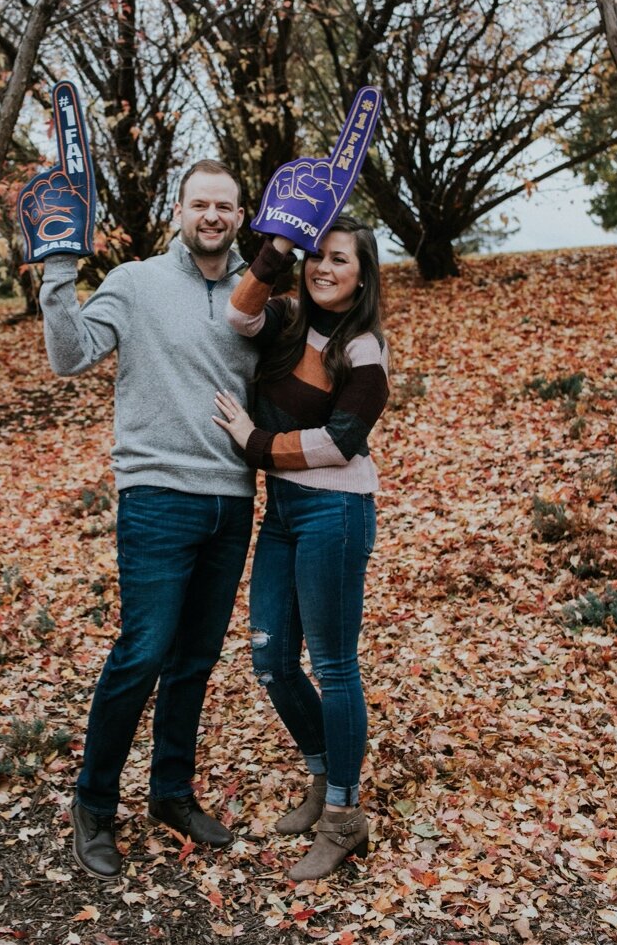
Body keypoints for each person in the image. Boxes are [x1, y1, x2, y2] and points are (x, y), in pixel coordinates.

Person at [40, 160, 259, 879]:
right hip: (157, 496)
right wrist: (58, 269)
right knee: (144, 650)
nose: (213, 216)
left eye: (225, 205)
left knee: (195, 658)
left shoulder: (256, 292)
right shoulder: (134, 283)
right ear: (179, 210)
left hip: (232, 498)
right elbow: (70, 355)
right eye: (201, 203)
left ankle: (171, 791)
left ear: (240, 213)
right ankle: (94, 803)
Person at [213, 217, 390, 881]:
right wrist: (281, 242)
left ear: (363, 274)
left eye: (338, 259)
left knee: (335, 665)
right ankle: (323, 774)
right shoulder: (286, 317)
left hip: (336, 510)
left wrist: (256, 443)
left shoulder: (364, 350)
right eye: (317, 256)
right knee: (271, 658)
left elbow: (340, 440)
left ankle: (344, 816)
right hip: (284, 511)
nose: (323, 268)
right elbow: (237, 312)